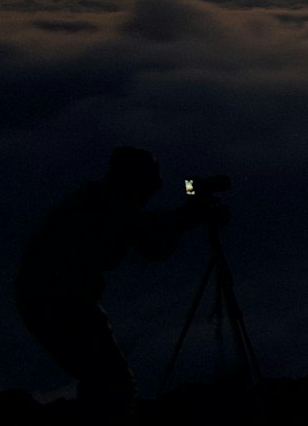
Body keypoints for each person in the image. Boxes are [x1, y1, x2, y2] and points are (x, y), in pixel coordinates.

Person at [15, 146, 223, 412]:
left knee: (100, 376)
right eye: (152, 179)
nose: (156, 186)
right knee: (112, 379)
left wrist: (182, 218)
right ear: (135, 178)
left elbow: (147, 235)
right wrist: (187, 218)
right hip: (58, 297)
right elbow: (152, 245)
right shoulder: (114, 203)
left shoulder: (100, 198)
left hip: (46, 295)